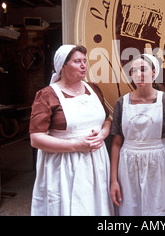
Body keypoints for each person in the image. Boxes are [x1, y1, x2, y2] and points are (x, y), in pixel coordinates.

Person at [29, 44, 114, 216]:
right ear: (63, 66)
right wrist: (76, 145)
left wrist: (103, 134)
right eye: (77, 61)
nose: (84, 65)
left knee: (95, 206)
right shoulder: (47, 95)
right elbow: (36, 138)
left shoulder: (93, 89)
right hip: (64, 163)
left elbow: (106, 119)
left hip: (95, 161)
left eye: (84, 61)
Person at [110, 54, 165, 215]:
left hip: (159, 163)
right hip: (127, 164)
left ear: (154, 72)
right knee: (130, 208)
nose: (138, 74)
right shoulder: (122, 103)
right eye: (134, 70)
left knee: (158, 208)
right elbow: (116, 142)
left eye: (143, 69)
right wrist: (113, 180)